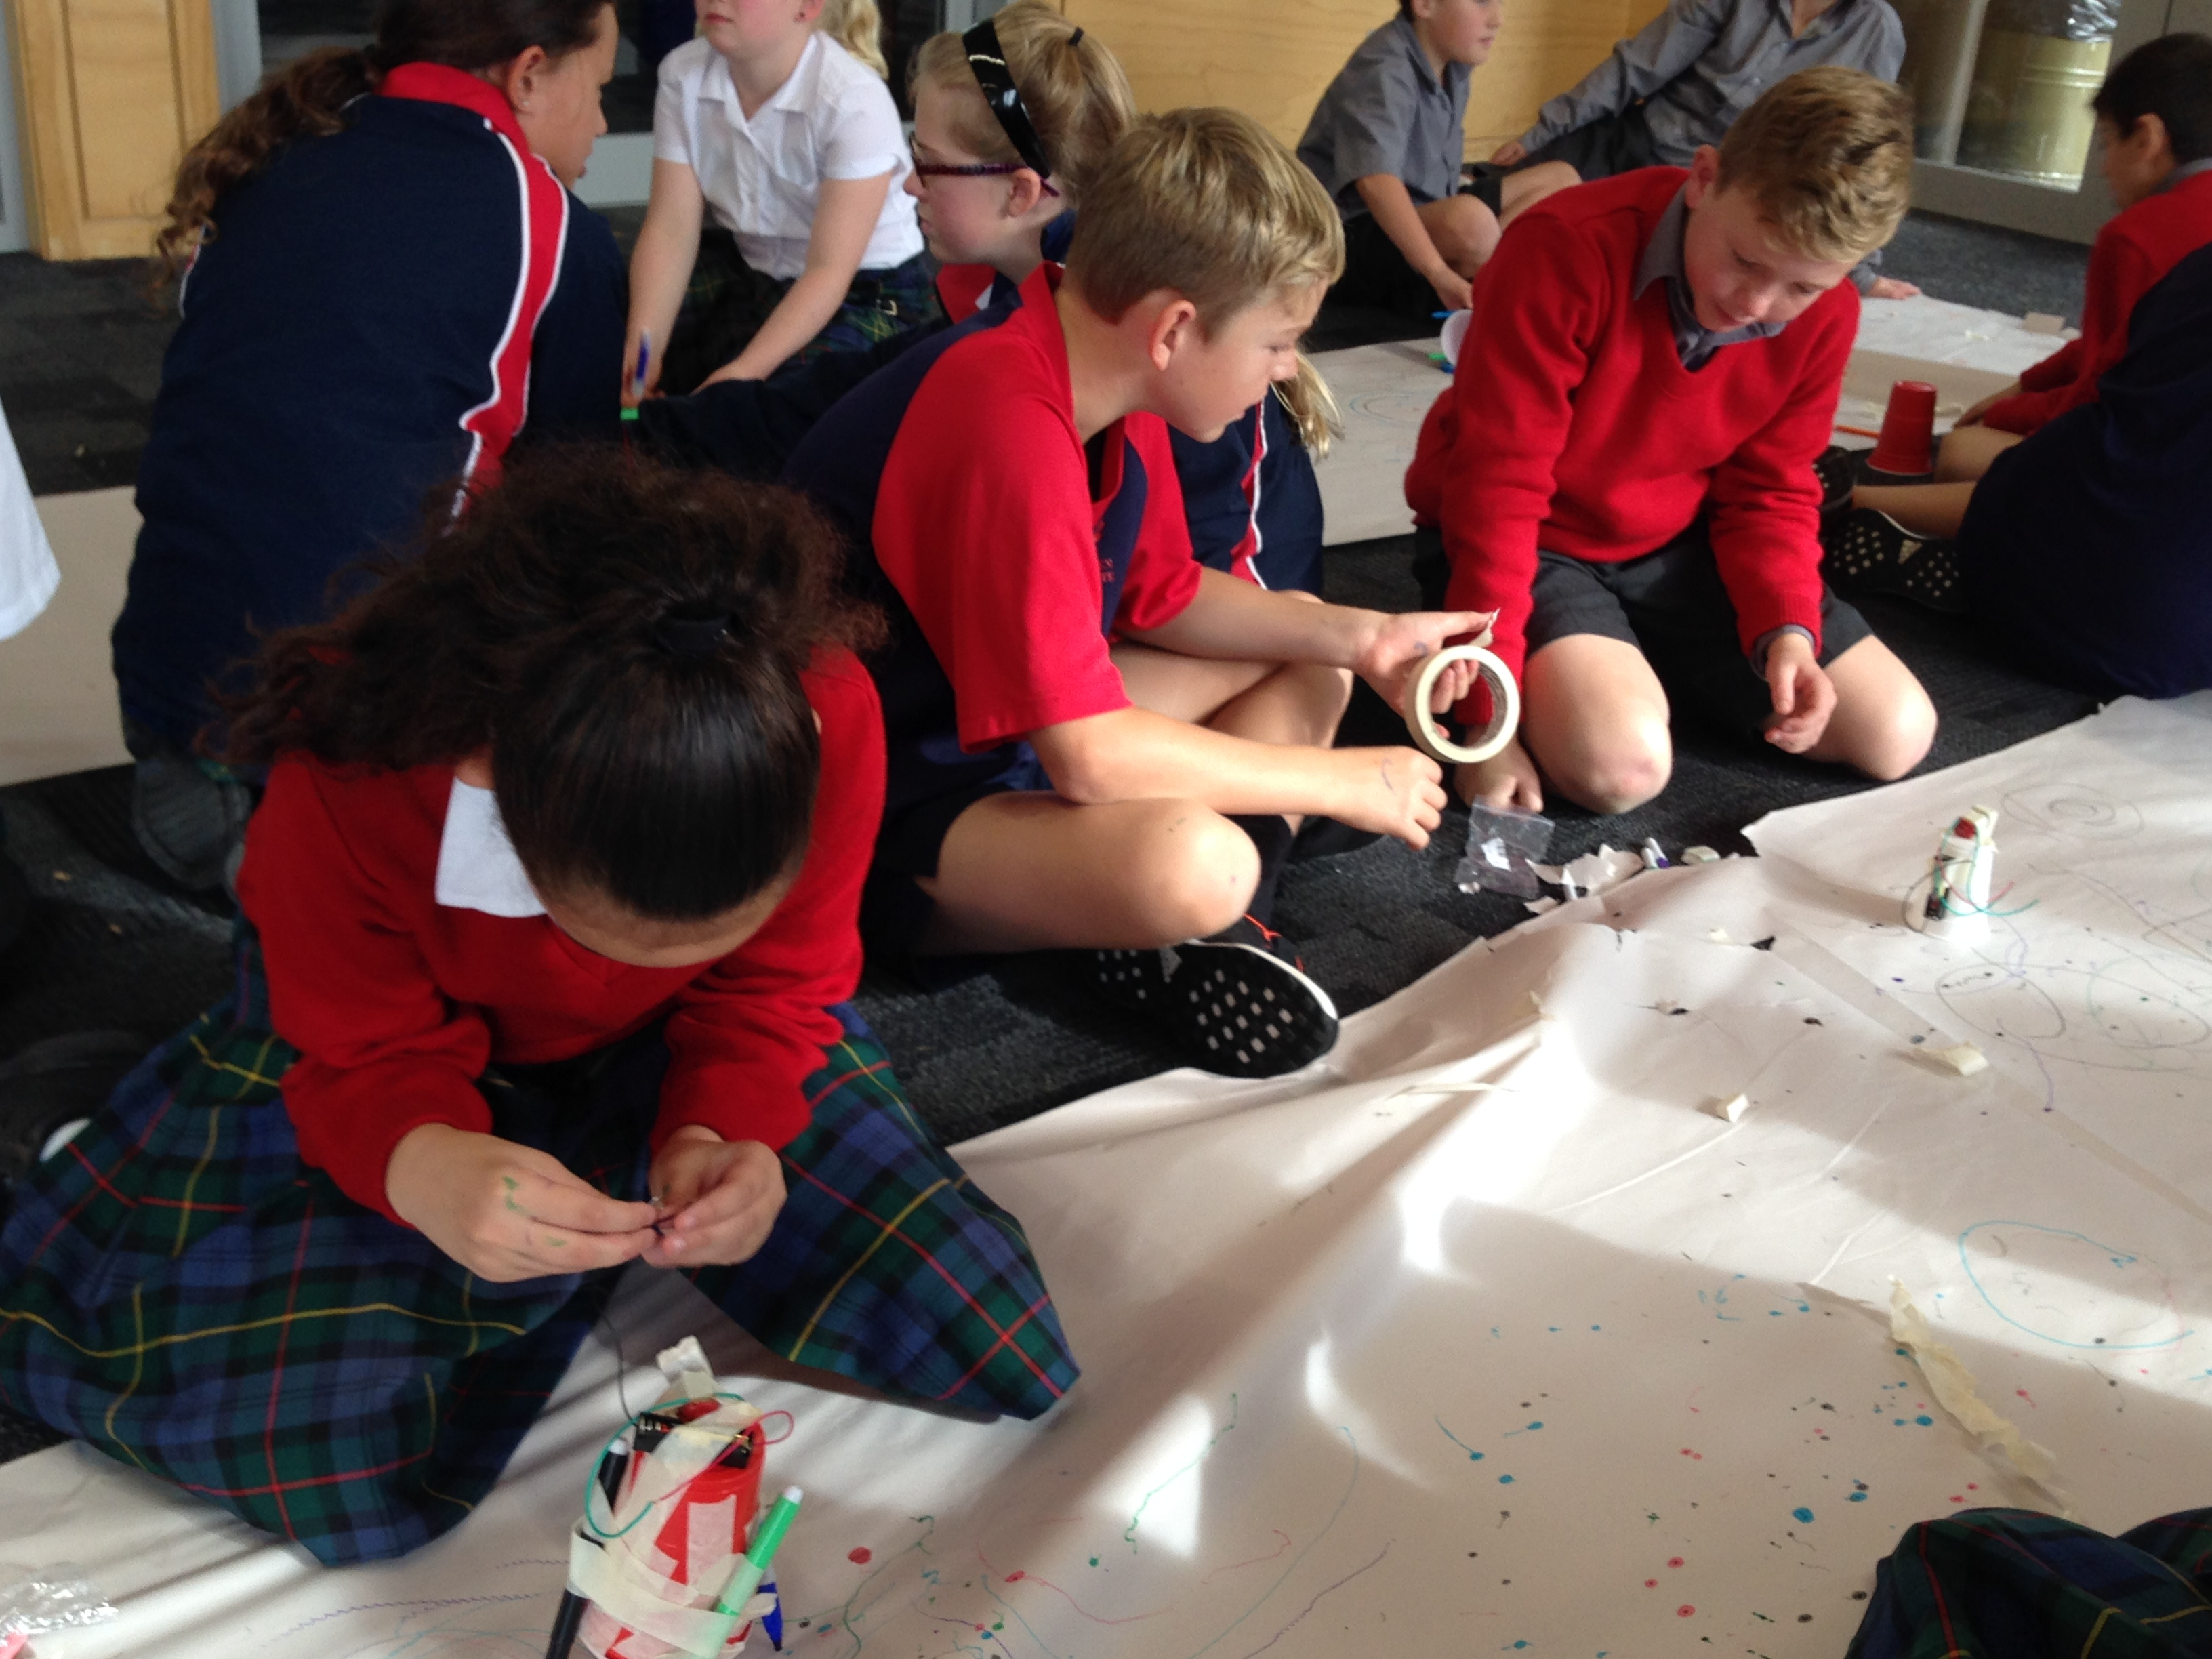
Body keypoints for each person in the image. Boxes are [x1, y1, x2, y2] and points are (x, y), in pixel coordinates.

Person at [0, 451, 1077, 1566]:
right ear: (495, 790)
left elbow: (778, 984)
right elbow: (362, 1048)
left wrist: (730, 1125)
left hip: (670, 1044)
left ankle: (553, 1228)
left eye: (706, 933)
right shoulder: (362, 760)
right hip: (404, 1054)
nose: (656, 958)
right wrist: (425, 1163)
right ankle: (100, 1111)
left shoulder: (815, 707)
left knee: (989, 1332)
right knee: (317, 1460)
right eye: (621, 934)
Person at [785, 108, 1492, 1080]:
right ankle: (1177, 915)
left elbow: (1160, 591)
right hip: (862, 813)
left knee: (1310, 644)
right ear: (1175, 330)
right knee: (1196, 863)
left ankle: (1209, 931)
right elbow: (1086, 756)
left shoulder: (1101, 368)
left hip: (980, 736)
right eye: (1279, 343)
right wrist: (1337, 783)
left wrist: (1367, 637)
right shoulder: (1008, 418)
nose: (1287, 371)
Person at [110, 0, 628, 895]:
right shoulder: (550, 227)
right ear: (529, 72)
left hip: (165, 711)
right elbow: (577, 505)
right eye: (602, 86)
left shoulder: (272, 158)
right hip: (343, 752)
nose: (606, 121)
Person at [642, 3, 1340, 595]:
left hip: (1232, 609)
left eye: (927, 162)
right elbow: (843, 395)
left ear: (1021, 193)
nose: (908, 184)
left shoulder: (1141, 341)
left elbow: (1197, 585)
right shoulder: (1008, 287)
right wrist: (659, 430)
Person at [1407, 68, 1937, 817]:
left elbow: (1770, 491)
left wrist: (1786, 630)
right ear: (1704, 178)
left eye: (1802, 288)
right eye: (1746, 260)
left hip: (1681, 538)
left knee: (1896, 732)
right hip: (1538, 541)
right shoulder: (1564, 247)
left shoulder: (1828, 314)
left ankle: (1621, 667)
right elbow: (1499, 488)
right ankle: (1602, 673)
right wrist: (1484, 722)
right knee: (1623, 770)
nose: (1755, 305)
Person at [1828, 30, 2212, 602]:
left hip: (2134, 519)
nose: (2104, 167)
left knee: (1964, 452)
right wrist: (2028, 384)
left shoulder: (2139, 237)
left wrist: (2016, 410)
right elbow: (2123, 344)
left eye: (2107, 142)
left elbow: (2097, 408)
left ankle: (1851, 505)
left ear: (2148, 138)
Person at [1492, 0, 1919, 299]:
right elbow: (1637, 66)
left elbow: (1863, 146)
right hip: (1644, 136)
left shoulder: (1877, 28)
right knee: (1495, 207)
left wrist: (1861, 270)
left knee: (1569, 248)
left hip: (1725, 181)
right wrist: (1544, 131)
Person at [626, 0, 939, 398]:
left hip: (866, 290)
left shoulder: (852, 100)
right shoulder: (682, 74)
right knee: (612, 312)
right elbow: (671, 229)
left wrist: (743, 374)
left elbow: (828, 272)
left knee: (788, 395)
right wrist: (643, 353)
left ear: (807, 7)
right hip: (755, 271)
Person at [1298, 0, 1580, 319]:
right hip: (1349, 240)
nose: (1498, 19)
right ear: (1425, 4)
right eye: (1481, 2)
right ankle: (1475, 290)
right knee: (1472, 224)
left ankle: (1483, 277)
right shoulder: (1383, 67)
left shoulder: (1453, 64)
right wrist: (1437, 271)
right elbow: (1375, 182)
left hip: (1425, 212)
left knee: (1563, 180)